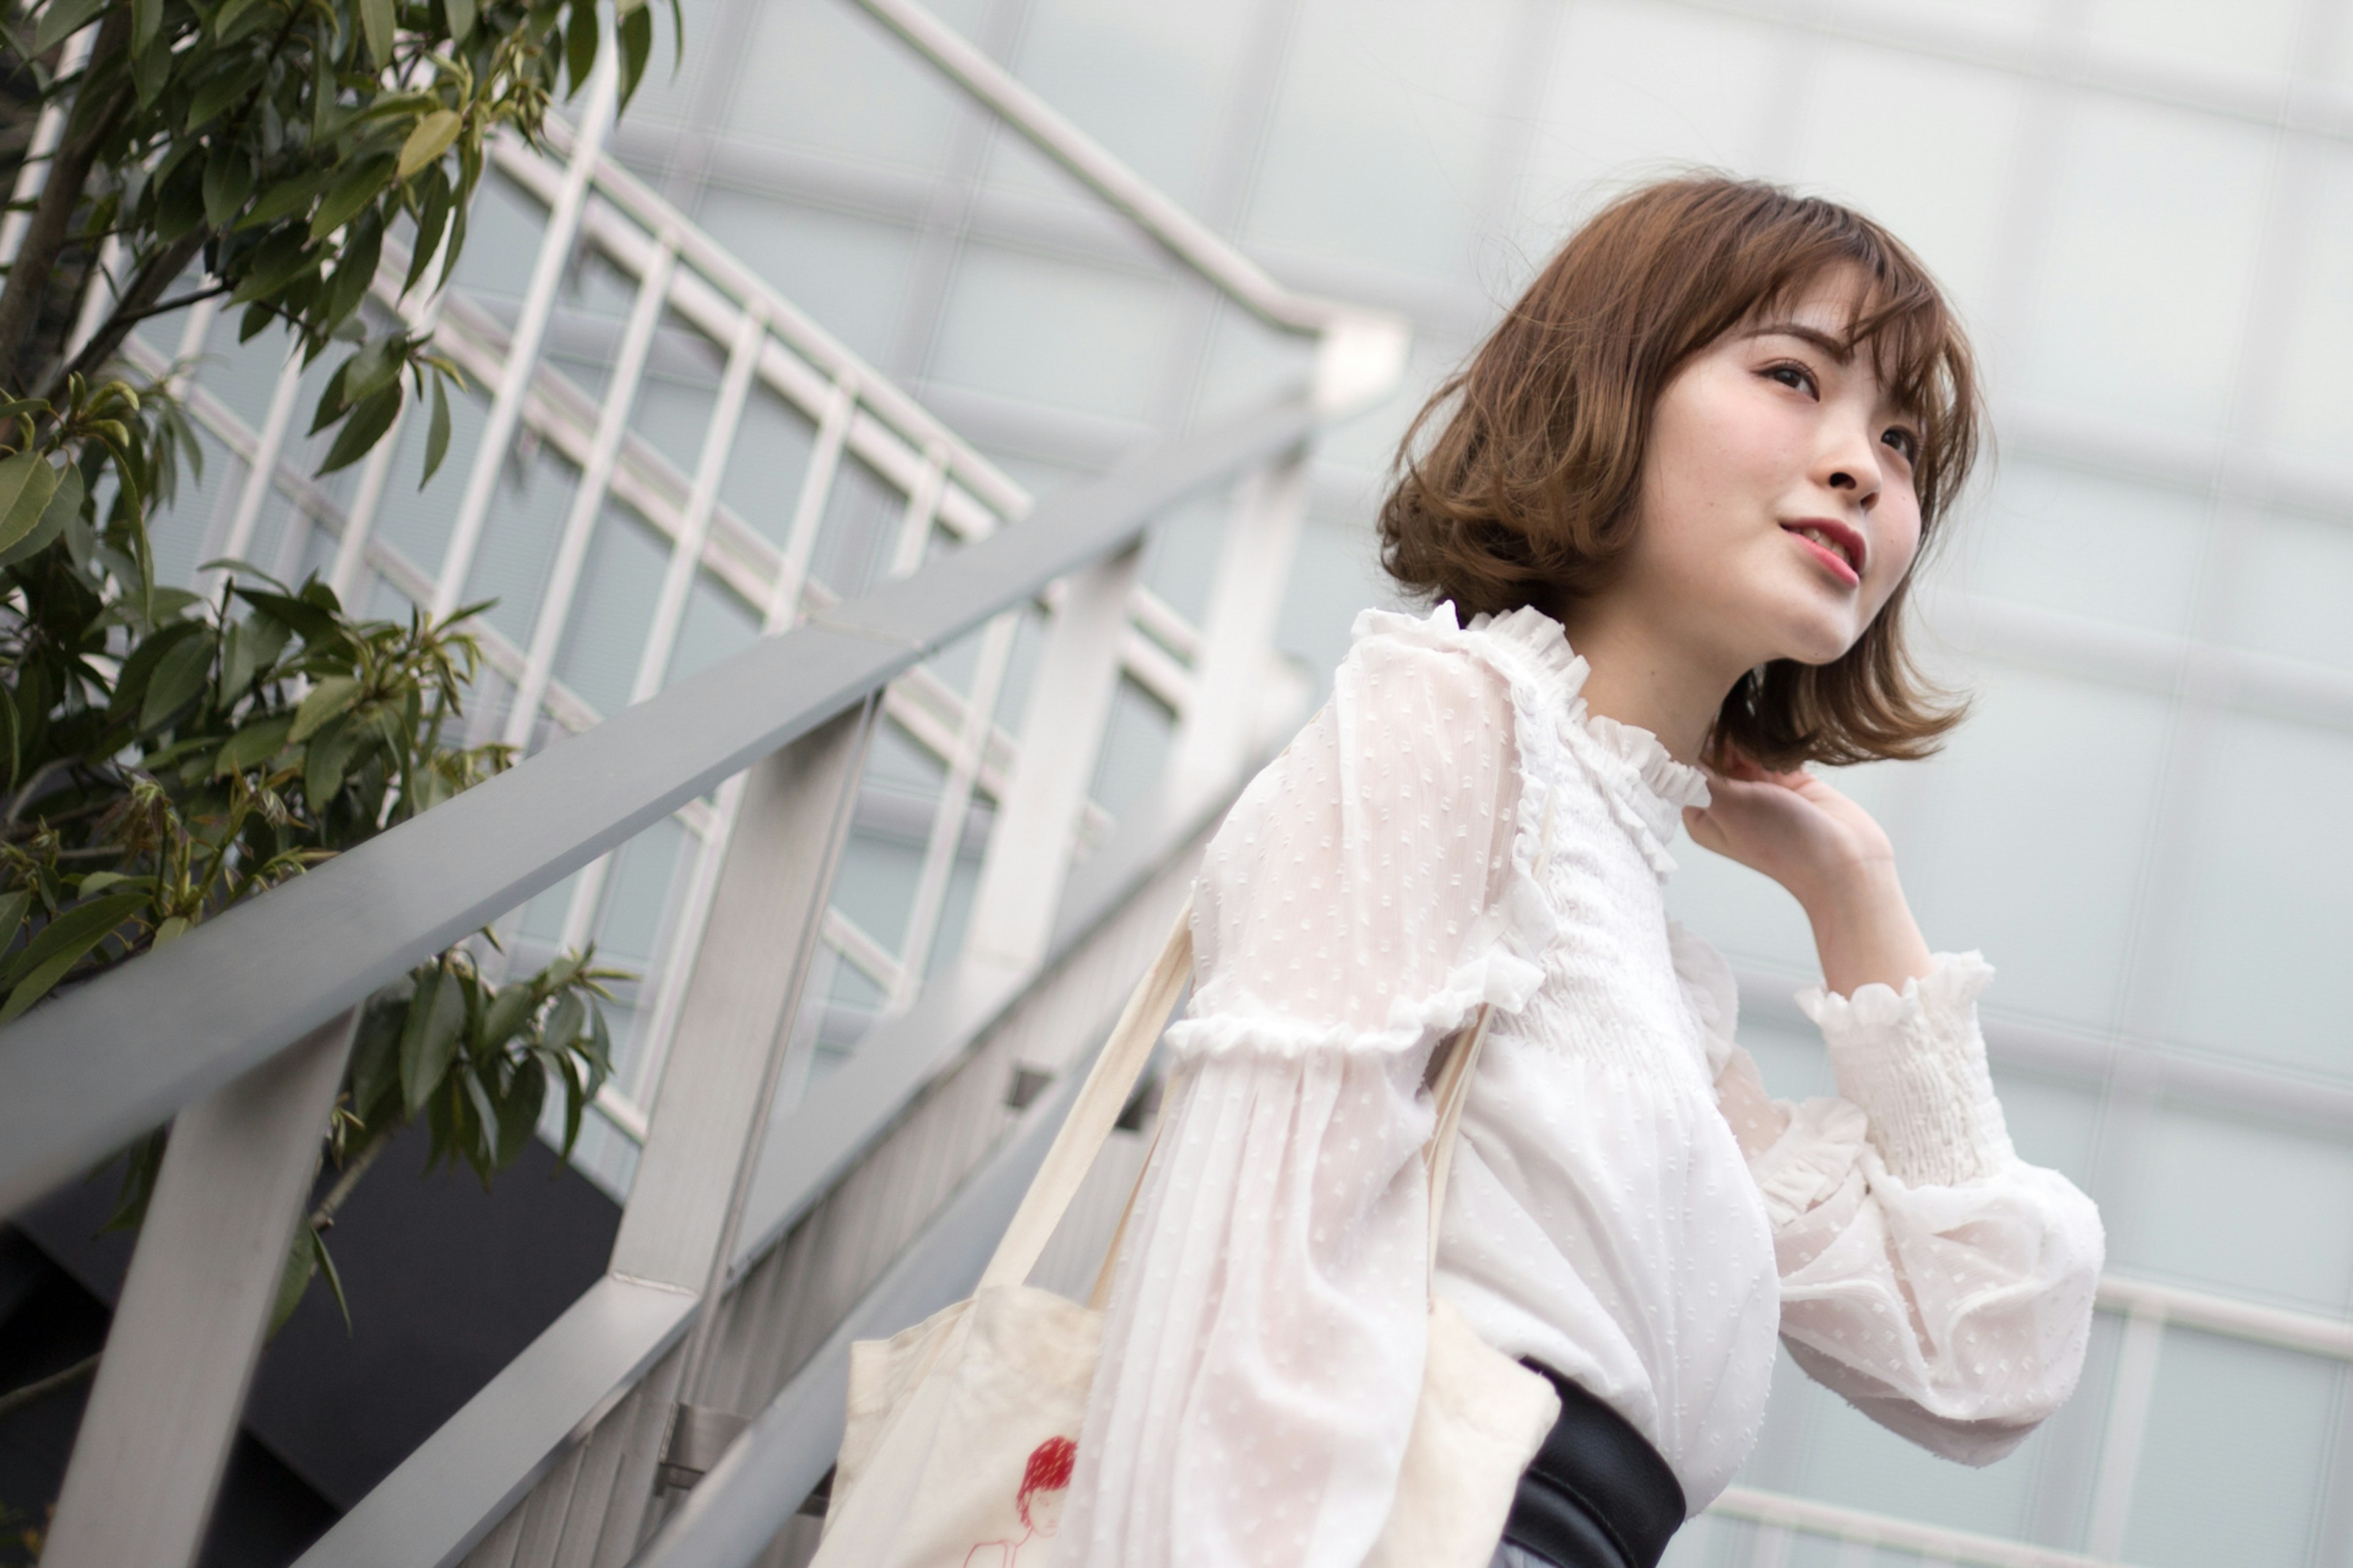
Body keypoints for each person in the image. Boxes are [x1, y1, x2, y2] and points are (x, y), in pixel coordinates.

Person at [1051, 177, 2105, 1568]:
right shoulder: (1447, 719)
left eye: (1904, 440)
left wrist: (1857, 896)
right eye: (1794, 376)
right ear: (1606, 389)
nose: (1863, 464)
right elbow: (1250, 1276)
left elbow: (1981, 1358)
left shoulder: (1659, 969)